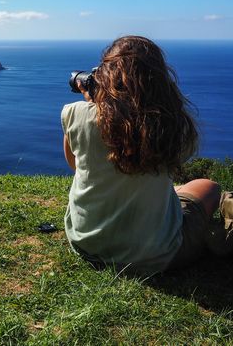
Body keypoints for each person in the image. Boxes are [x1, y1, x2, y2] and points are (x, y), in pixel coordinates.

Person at [61, 35, 226, 276]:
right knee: (208, 187)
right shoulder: (174, 126)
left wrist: (97, 104)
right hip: (154, 254)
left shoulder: (74, 113)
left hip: (86, 241)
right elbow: (169, 161)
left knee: (184, 189)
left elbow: (74, 164)